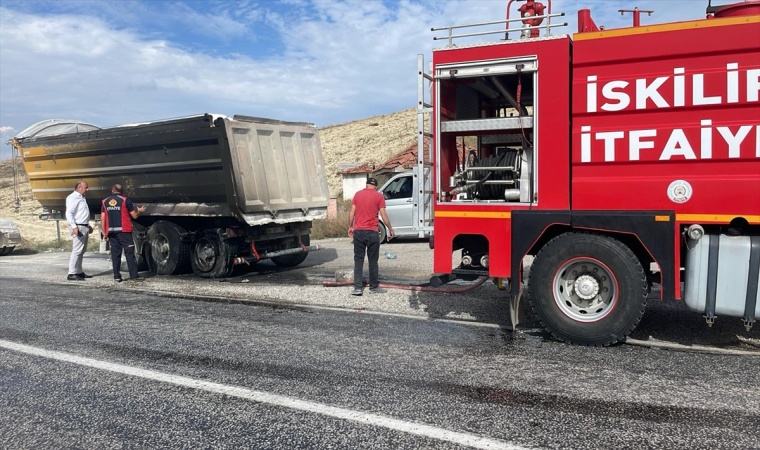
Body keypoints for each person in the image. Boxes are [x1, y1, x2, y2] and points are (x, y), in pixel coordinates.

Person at [348, 177, 394, 296]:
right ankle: (373, 287)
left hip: (358, 232)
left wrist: (350, 227)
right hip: (373, 232)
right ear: (376, 186)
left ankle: (357, 288)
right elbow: (383, 216)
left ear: (366, 184)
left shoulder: (357, 195)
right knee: (373, 261)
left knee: (358, 260)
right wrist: (390, 229)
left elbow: (352, 212)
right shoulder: (379, 196)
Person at [101, 184, 147, 282]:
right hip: (124, 231)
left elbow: (103, 219)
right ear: (121, 191)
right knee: (129, 253)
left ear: (112, 190)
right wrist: (139, 211)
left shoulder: (105, 202)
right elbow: (134, 216)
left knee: (115, 254)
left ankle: (117, 276)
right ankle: (134, 276)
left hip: (112, 232)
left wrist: (105, 233)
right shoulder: (125, 200)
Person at [65, 180, 93, 281]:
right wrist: (74, 226)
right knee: (77, 250)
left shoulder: (82, 198)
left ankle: (79, 271)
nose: (87, 189)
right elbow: (69, 213)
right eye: (86, 187)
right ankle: (72, 273)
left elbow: (81, 213)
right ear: (79, 188)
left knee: (81, 250)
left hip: (83, 226)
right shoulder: (73, 197)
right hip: (79, 227)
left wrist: (87, 225)